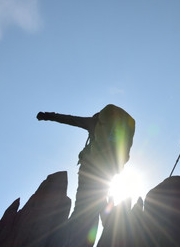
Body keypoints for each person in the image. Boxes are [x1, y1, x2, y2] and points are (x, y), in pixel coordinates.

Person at [36, 104, 135, 247]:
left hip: (90, 167)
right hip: (107, 171)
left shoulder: (94, 122)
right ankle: (111, 223)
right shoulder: (117, 132)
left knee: (83, 204)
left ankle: (75, 234)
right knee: (99, 198)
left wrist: (46, 115)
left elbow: (70, 119)